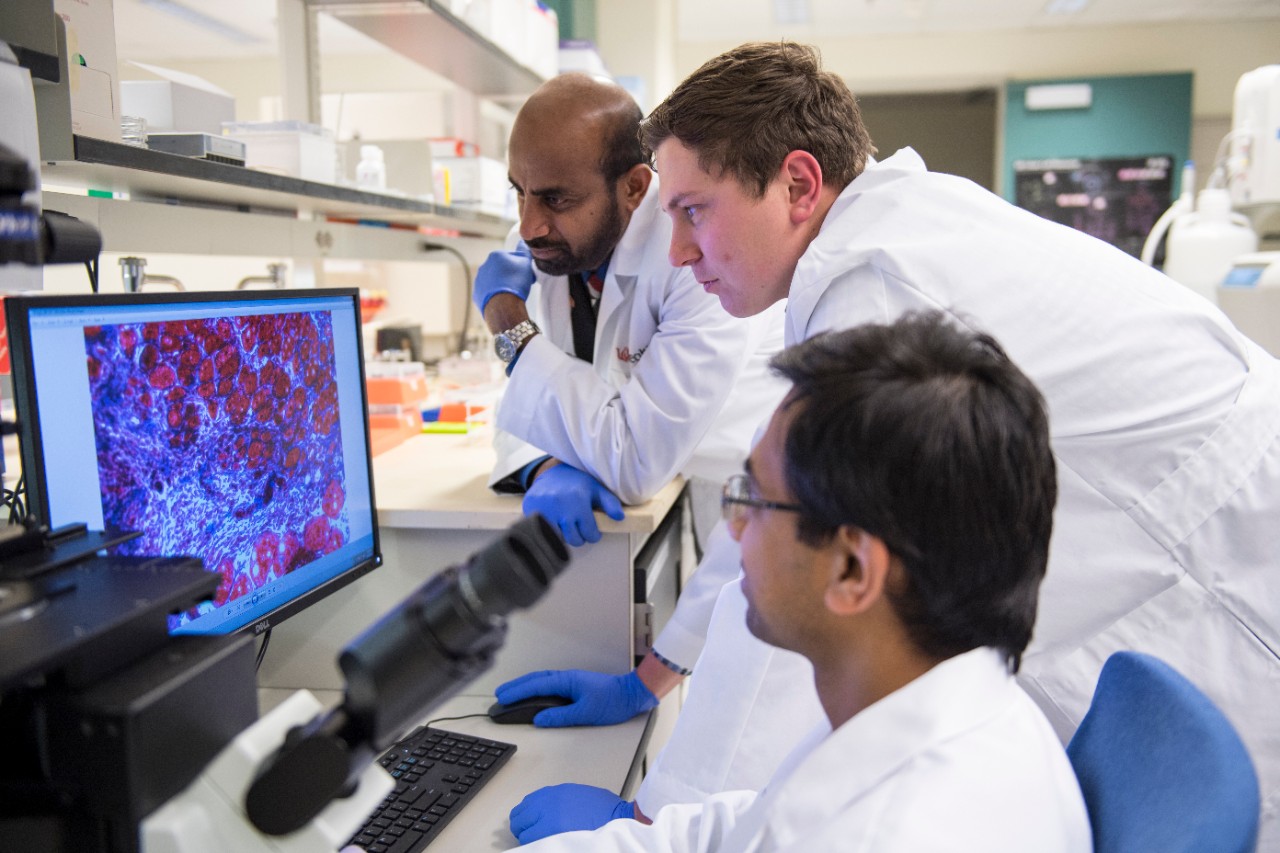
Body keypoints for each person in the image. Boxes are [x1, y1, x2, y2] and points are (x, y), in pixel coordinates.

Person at [631, 40, 1280, 847]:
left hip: (1232, 583)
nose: (683, 251)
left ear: (798, 184)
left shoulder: (885, 292)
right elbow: (771, 514)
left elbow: (794, 564)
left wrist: (657, 809)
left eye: (694, 210)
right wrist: (664, 665)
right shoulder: (885, 243)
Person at [513, 314, 1091, 852]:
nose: (735, 530)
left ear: (851, 571)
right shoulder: (936, 709)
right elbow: (750, 825)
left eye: (754, 502)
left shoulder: (892, 830)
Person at [473, 71, 812, 827]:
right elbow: (524, 402)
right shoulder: (545, 225)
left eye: (553, 198)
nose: (528, 224)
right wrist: (544, 459)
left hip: (735, 476)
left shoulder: (699, 258)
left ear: (633, 187)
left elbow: (633, 457)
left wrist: (505, 320)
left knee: (747, 705)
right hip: (731, 505)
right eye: (517, 192)